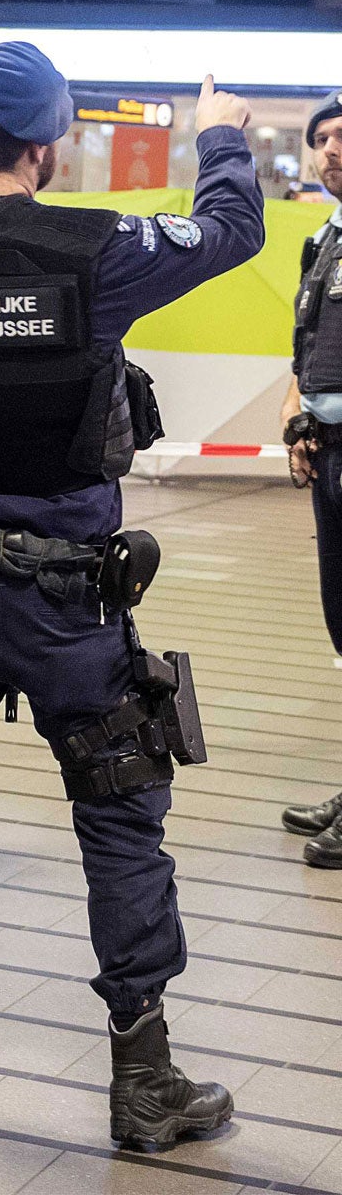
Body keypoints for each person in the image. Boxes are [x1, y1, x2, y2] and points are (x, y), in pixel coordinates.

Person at [0, 45, 261, 1151]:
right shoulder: (100, 252)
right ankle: (141, 1079)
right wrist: (216, 132)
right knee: (118, 814)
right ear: (46, 144)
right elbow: (231, 232)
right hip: (72, 603)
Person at [277, 90, 342, 865]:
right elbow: (308, 349)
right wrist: (301, 423)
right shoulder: (321, 241)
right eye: (321, 138)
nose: (331, 148)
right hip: (329, 452)